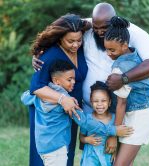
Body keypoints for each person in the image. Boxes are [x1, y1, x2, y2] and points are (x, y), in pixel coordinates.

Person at [32, 2, 149, 161]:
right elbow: (62, 27)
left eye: (104, 29)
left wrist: (124, 80)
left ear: (114, 22)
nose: (99, 32)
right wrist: (40, 50)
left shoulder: (132, 36)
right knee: (96, 158)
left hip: (122, 112)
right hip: (93, 111)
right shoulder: (89, 28)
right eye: (96, 28)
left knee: (116, 159)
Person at [22, 60, 133, 166]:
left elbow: (25, 97)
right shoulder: (67, 101)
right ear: (56, 81)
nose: (73, 82)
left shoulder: (41, 94)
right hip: (57, 148)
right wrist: (113, 130)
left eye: (74, 79)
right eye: (69, 79)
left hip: (43, 146)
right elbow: (85, 122)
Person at [28, 14, 91, 166]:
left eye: (79, 40)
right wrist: (63, 99)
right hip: (50, 115)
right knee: (46, 157)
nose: (76, 45)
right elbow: (36, 88)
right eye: (71, 41)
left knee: (66, 155)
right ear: (60, 38)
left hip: (71, 110)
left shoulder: (80, 49)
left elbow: (96, 21)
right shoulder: (49, 56)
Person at [104, 16, 149, 166]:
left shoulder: (119, 68)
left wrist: (114, 134)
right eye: (106, 48)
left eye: (112, 49)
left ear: (124, 44)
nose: (108, 53)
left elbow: (121, 103)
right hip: (141, 113)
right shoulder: (135, 54)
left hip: (138, 118)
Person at [80, 81, 134, 166]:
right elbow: (81, 136)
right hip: (90, 158)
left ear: (109, 102)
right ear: (91, 102)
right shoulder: (87, 118)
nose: (99, 104)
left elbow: (120, 138)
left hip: (107, 157)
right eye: (95, 101)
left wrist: (116, 152)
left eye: (103, 101)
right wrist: (87, 139)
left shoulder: (115, 119)